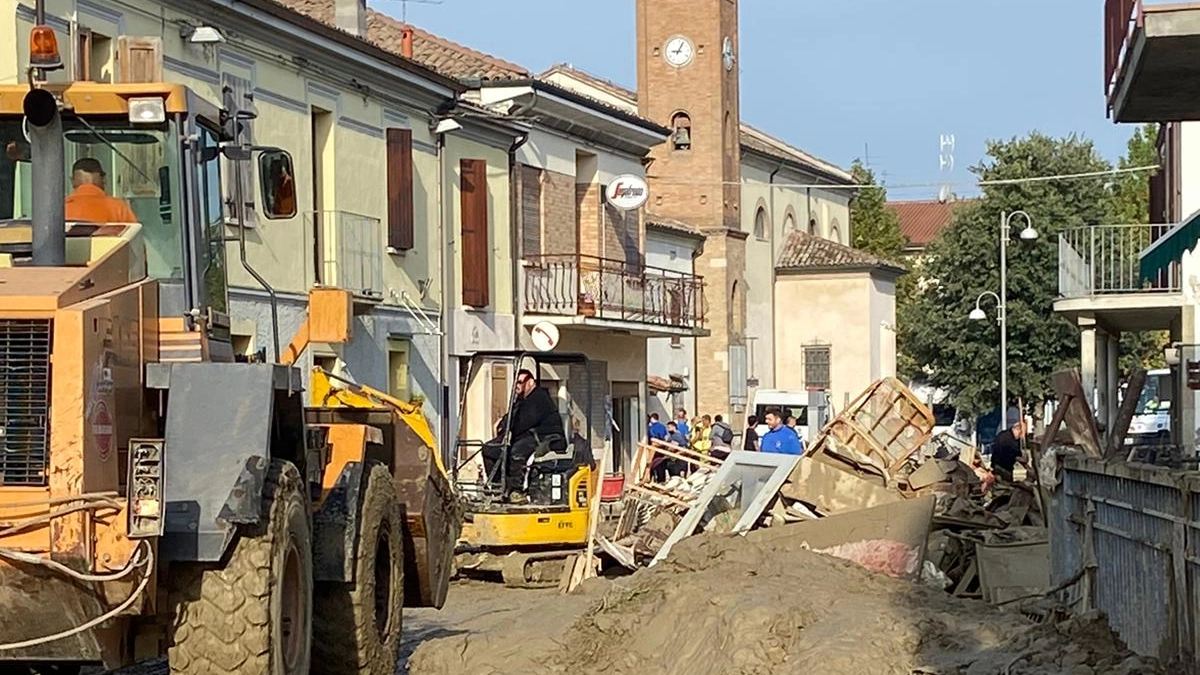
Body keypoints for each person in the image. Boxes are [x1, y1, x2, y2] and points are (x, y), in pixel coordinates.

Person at [481, 369, 565, 501]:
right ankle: (498, 486)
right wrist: (502, 426)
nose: (516, 386)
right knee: (490, 448)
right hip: (527, 436)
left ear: (530, 382)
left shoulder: (539, 398)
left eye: (520, 382)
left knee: (517, 451)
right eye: (515, 383)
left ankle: (516, 491)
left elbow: (523, 422)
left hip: (546, 438)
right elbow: (509, 419)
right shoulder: (520, 401)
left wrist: (507, 427)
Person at [64, 157, 138, 223]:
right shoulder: (119, 208)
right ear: (104, 179)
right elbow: (134, 235)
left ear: (72, 181)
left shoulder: (61, 209)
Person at [990, 413, 1027, 483]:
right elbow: (1012, 453)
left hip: (1000, 466)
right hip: (1003, 467)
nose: (1021, 437)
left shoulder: (1004, 435)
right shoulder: (1008, 439)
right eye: (1022, 434)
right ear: (1018, 430)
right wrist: (1020, 457)